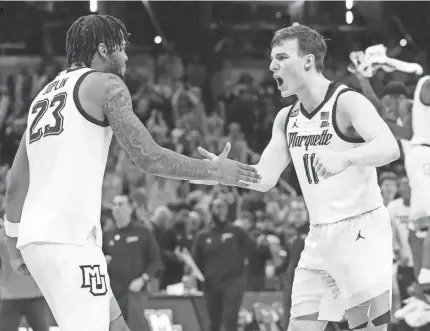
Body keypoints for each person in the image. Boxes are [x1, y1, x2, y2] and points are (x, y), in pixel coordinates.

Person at [3, 14, 261, 331]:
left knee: (115, 325)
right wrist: (214, 172)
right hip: (68, 238)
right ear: (103, 49)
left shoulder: (42, 98)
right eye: (122, 49)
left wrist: (14, 245)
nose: (126, 58)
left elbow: (15, 182)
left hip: (35, 240)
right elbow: (148, 157)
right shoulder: (106, 85)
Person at [195, 24, 400, 331]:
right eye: (271, 58)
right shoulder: (286, 118)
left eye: (281, 57)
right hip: (318, 238)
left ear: (307, 61)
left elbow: (389, 147)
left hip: (362, 231)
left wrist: (345, 156)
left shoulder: (346, 102)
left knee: (369, 328)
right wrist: (226, 174)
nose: (271, 65)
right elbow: (264, 178)